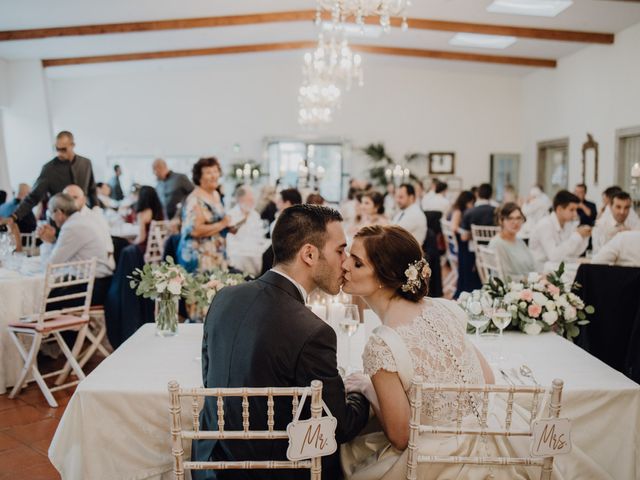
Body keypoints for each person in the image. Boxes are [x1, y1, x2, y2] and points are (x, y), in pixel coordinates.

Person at [192, 204, 370, 480]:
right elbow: (340, 425)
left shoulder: (223, 298)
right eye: (340, 250)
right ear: (309, 254)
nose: (345, 261)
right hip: (273, 471)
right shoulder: (313, 332)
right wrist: (363, 392)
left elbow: (209, 378)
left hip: (209, 464)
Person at [339, 225, 504, 479]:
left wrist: (365, 386)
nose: (345, 265)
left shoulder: (382, 344)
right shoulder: (446, 308)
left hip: (436, 462)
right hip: (489, 445)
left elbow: (401, 437)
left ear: (385, 277)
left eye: (357, 263)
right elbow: (488, 379)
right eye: (349, 255)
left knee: (346, 452)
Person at [0, 131, 98, 228]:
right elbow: (33, 196)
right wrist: (14, 216)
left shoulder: (86, 163)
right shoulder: (49, 169)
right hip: (61, 222)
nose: (59, 153)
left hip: (85, 218)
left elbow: (92, 190)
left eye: (63, 149)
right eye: (57, 149)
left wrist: (96, 210)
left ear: (72, 145)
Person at [38, 193, 113, 304]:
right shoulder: (82, 220)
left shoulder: (72, 227)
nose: (51, 218)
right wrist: (53, 241)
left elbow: (49, 266)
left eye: (50, 213)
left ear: (59, 213)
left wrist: (46, 242)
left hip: (91, 288)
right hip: (101, 283)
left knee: (42, 302)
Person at [177, 157, 232, 273]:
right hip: (200, 259)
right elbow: (195, 230)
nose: (214, 176)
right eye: (208, 172)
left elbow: (216, 222)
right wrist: (223, 224)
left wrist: (228, 227)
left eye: (216, 171)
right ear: (199, 177)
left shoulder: (216, 194)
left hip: (216, 254)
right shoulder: (194, 200)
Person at [62, 184, 115, 272]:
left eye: (75, 197)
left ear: (84, 200)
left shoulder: (95, 217)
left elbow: (108, 251)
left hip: (96, 273)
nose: (71, 202)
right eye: (67, 198)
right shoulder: (65, 219)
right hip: (78, 270)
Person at [529, 190, 591, 266]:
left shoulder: (568, 224)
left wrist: (584, 236)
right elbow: (554, 256)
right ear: (559, 209)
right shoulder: (545, 225)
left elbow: (573, 252)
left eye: (576, 210)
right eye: (572, 210)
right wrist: (577, 235)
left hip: (557, 267)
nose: (575, 214)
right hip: (540, 269)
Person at [488, 203, 535, 280]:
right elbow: (504, 278)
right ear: (501, 221)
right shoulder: (497, 244)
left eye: (518, 218)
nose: (515, 222)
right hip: (511, 289)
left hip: (528, 285)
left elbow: (532, 266)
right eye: (510, 218)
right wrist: (530, 279)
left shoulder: (520, 241)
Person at [132, 185, 165, 250]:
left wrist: (132, 243)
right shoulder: (159, 211)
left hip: (145, 248)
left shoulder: (142, 213)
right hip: (157, 247)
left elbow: (141, 238)